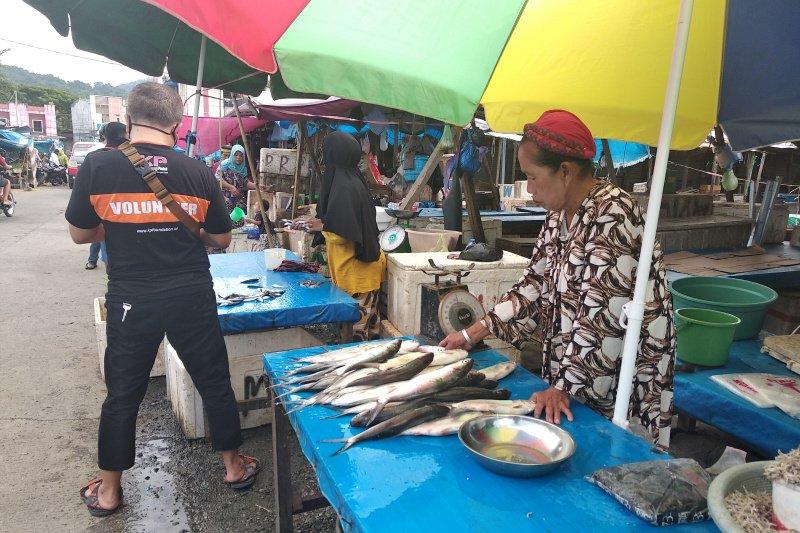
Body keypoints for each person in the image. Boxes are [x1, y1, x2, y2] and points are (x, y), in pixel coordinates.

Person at [66, 82, 259, 517]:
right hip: (191, 292)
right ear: (177, 123)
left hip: (132, 297)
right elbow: (222, 237)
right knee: (212, 379)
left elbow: (81, 234)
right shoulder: (197, 171)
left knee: (123, 393)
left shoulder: (97, 167)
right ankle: (233, 465)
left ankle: (111, 491)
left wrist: (118, 226)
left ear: (130, 120)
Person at [439, 110, 675, 446]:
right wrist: (473, 331)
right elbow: (534, 285)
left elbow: (603, 313)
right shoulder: (556, 216)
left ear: (565, 171)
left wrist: (564, 386)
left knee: (618, 456)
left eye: (533, 177)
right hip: (578, 367)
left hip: (625, 370)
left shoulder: (613, 212)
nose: (530, 189)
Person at [305, 131, 386, 341]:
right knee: (368, 333)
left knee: (359, 340)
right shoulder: (353, 180)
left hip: (357, 275)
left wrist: (321, 226)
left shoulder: (343, 186)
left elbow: (344, 234)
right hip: (362, 270)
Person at [86, 122, 129, 270]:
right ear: (127, 135)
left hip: (103, 213)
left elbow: (79, 234)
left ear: (104, 136)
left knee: (101, 240)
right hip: (126, 213)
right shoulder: (133, 158)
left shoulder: (94, 158)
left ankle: (96, 262)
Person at [215, 144, 256, 224]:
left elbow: (245, 183)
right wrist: (230, 187)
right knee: (225, 221)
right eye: (236, 155)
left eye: (241, 155)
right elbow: (217, 178)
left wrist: (257, 186)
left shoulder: (243, 168)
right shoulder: (224, 165)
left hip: (237, 199)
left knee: (236, 222)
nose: (238, 157)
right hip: (224, 198)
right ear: (232, 155)